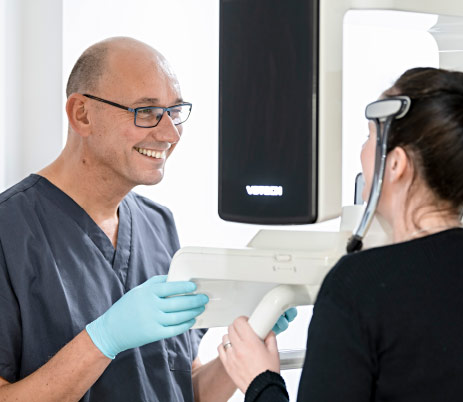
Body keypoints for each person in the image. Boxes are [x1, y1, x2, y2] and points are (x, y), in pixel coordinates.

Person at [217, 67, 463, 401]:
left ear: (396, 164)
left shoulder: (357, 285)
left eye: (369, 138)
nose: (363, 153)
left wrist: (260, 382)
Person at [0, 37, 295, 402]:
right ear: (82, 115)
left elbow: (189, 390)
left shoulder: (159, 225)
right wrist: (102, 339)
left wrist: (251, 333)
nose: (170, 134)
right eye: (147, 111)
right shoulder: (9, 232)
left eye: (174, 111)